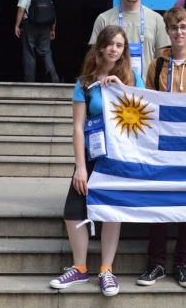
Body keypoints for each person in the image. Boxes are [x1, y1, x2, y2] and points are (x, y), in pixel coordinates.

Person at [49, 25, 145, 297]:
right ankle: (80, 268)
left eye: (120, 45)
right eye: (111, 44)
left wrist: (123, 88)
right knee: (73, 210)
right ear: (101, 46)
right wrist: (80, 166)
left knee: (111, 212)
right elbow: (78, 127)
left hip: (118, 157)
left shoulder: (132, 77)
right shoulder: (84, 83)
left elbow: (142, 113)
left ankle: (106, 270)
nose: (115, 49)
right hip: (91, 156)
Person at [137, 7, 186, 288]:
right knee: (158, 202)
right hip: (161, 144)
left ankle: (184, 263)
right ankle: (156, 263)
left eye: (183, 26)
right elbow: (145, 102)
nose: (179, 32)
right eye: (173, 28)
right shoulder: (156, 65)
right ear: (167, 32)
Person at [90, 0, 170, 80]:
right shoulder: (104, 19)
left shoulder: (157, 20)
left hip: (146, 91)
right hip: (111, 90)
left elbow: (162, 62)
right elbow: (94, 59)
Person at [14, 0, 59, 83]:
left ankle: (29, 80)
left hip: (29, 25)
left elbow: (21, 9)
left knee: (29, 53)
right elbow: (53, 14)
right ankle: (51, 71)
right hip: (45, 27)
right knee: (46, 51)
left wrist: (16, 26)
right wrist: (53, 30)